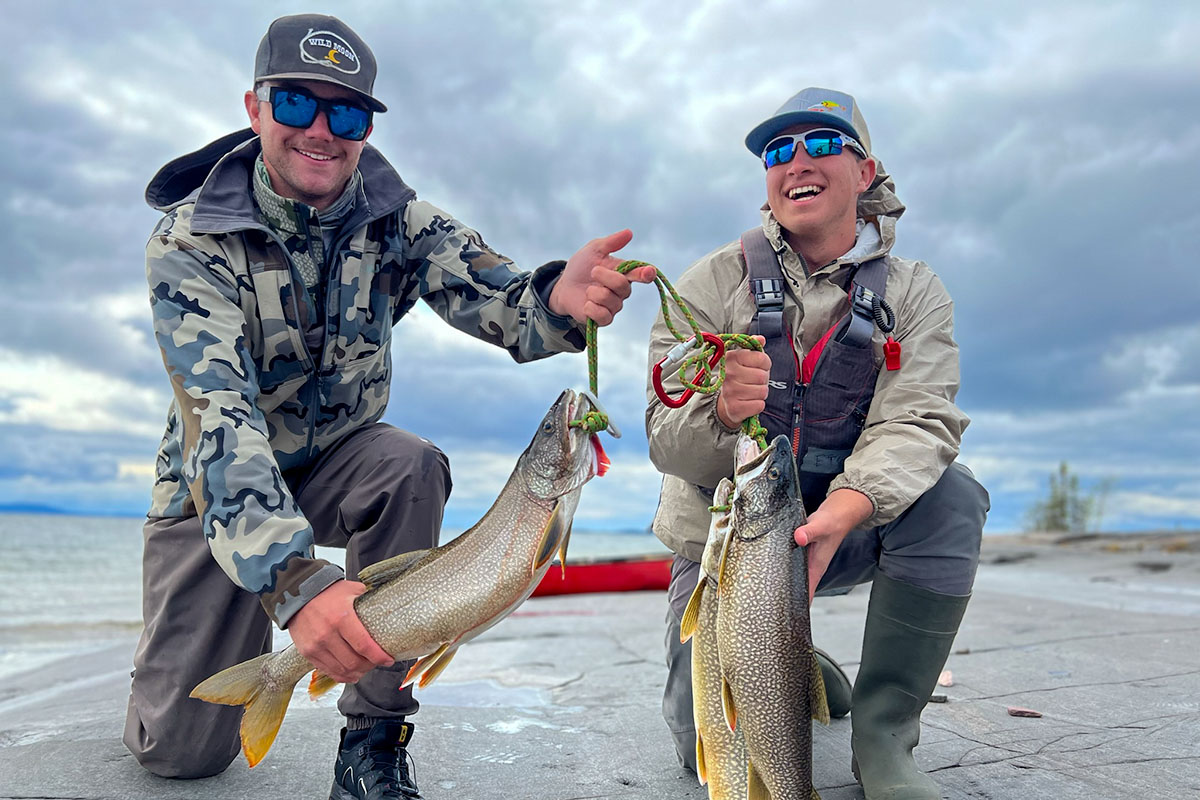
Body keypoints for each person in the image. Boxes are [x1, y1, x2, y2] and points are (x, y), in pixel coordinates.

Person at [124, 13, 655, 800]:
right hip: (220, 489)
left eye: (347, 113)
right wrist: (297, 584)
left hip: (344, 462)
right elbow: (219, 416)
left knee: (410, 465)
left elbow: (501, 297)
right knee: (180, 752)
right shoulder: (190, 241)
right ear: (255, 107)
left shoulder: (399, 218)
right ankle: (175, 666)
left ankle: (373, 736)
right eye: (297, 105)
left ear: (366, 127)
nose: (322, 131)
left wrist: (558, 300)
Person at [645, 87, 989, 799]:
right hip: (729, 548)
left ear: (866, 173)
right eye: (778, 151)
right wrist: (718, 415)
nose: (797, 161)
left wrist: (844, 510)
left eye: (823, 143)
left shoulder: (917, 292)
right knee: (702, 748)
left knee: (954, 497)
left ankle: (886, 739)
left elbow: (919, 423)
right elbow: (663, 436)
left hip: (846, 531)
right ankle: (812, 673)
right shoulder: (709, 284)